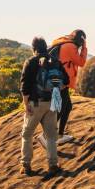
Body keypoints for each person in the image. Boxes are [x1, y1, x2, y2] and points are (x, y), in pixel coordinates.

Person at [19, 37, 62, 177]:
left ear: (33, 48)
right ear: (46, 47)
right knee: (51, 136)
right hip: (52, 103)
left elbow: (24, 86)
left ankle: (26, 165)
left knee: (27, 134)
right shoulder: (54, 61)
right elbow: (65, 81)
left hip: (35, 102)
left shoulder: (30, 62)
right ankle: (53, 165)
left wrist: (26, 104)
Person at [48, 29, 88, 143]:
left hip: (57, 78)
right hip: (62, 81)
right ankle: (48, 134)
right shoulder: (70, 46)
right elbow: (81, 62)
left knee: (67, 106)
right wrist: (84, 47)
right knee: (62, 108)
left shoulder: (63, 43)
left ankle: (59, 134)